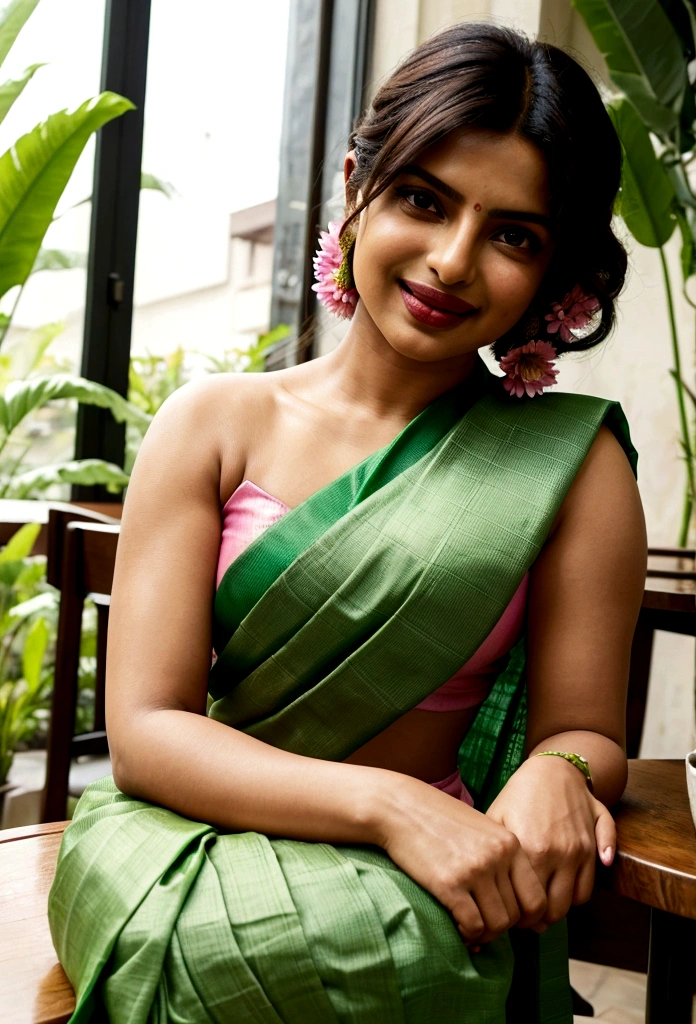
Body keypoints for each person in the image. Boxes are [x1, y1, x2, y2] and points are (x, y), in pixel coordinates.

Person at [48, 20, 647, 1024]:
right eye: (424, 199)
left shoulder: (575, 464)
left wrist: (563, 767)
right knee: (217, 952)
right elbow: (148, 732)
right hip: (196, 831)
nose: (453, 261)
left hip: (421, 881)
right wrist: (388, 804)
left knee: (393, 957)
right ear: (354, 184)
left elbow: (585, 727)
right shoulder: (214, 425)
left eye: (514, 235)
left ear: (555, 274)